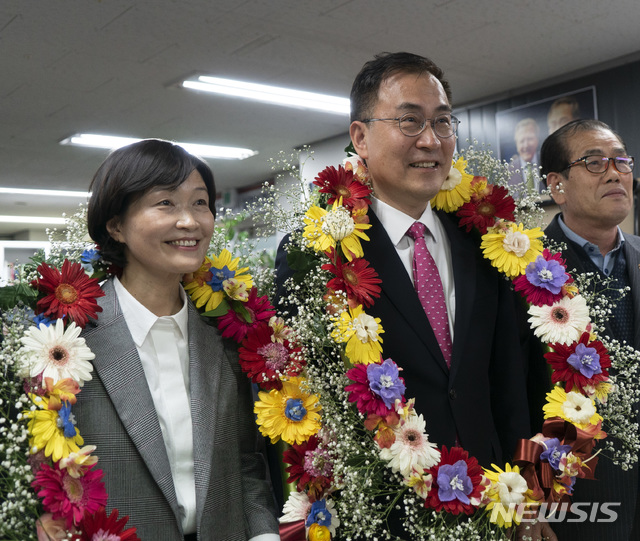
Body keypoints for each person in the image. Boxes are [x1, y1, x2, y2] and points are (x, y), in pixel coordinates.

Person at [275, 52, 552, 539]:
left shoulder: (485, 242)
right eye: (409, 120)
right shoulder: (317, 254)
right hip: (382, 512)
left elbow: (509, 380)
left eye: (443, 122)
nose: (431, 140)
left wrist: (528, 495)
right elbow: (305, 399)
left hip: (490, 504)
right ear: (360, 137)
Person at [79, 139, 280, 540]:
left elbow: (245, 461)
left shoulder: (227, 330)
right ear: (115, 225)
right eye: (166, 203)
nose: (190, 221)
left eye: (200, 203)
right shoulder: (69, 339)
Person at [542, 119, 640, 540]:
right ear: (557, 185)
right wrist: (532, 496)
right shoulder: (523, 271)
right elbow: (511, 391)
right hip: (576, 501)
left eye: (622, 161)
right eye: (595, 162)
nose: (616, 172)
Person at [509, 117, 543, 193]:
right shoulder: (508, 172)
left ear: (537, 140)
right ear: (516, 144)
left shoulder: (548, 162)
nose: (526, 145)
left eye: (530, 139)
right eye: (521, 141)